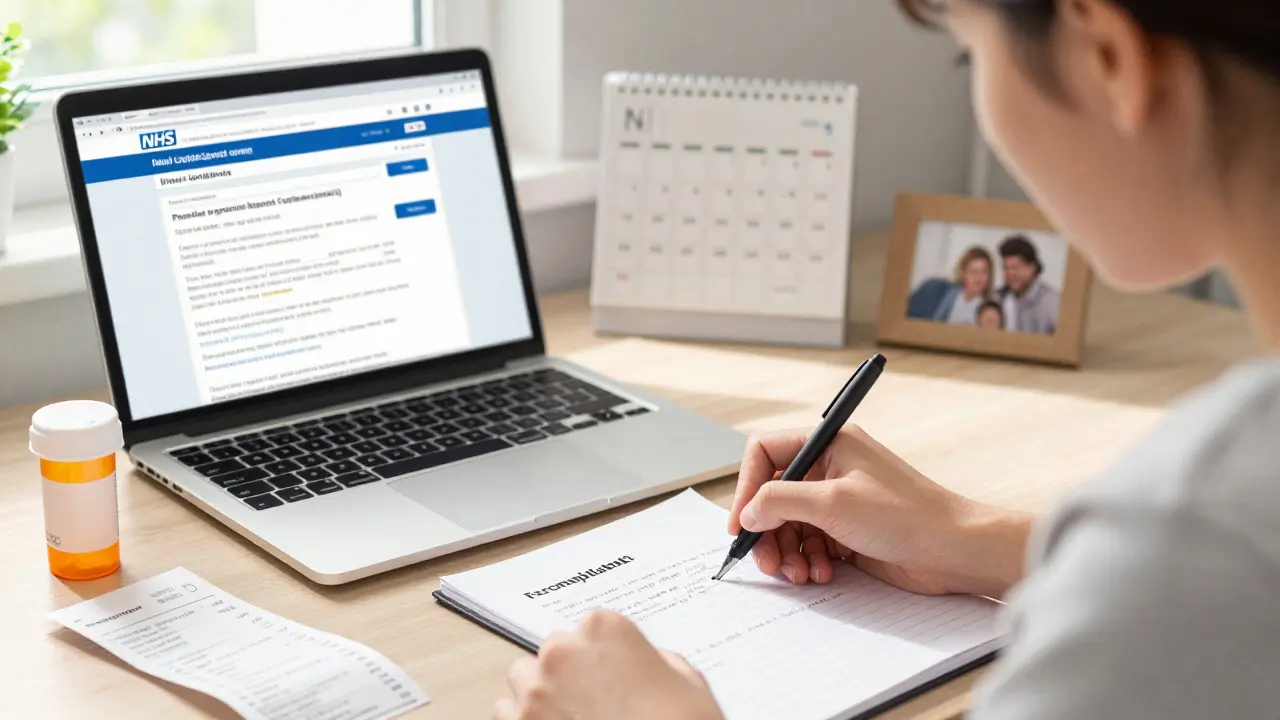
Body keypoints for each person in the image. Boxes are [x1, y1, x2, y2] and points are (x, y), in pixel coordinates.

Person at [493, 1, 1280, 718]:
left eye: (971, 56)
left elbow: (1182, 577)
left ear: (1108, 57)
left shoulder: (1194, 534)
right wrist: (966, 537)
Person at [907, 246, 997, 326]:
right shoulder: (936, 290)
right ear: (963, 273)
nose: (978, 278)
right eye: (973, 271)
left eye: (983, 272)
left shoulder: (991, 310)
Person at [997, 235, 1060, 334]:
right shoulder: (999, 298)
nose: (1010, 274)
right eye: (1006, 268)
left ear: (1032, 268)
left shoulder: (1051, 301)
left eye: (1015, 267)